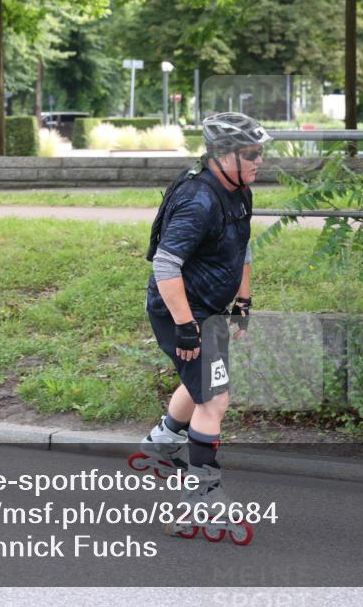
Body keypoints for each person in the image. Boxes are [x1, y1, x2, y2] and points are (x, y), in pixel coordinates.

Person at [139, 112, 270, 522]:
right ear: (223, 155)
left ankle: (160, 444)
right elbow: (165, 265)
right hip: (180, 310)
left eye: (261, 153)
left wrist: (243, 302)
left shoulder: (238, 190)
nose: (259, 161)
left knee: (202, 384)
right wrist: (186, 328)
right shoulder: (199, 199)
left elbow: (241, 248)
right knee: (214, 399)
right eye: (252, 154)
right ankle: (201, 499)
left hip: (208, 308)